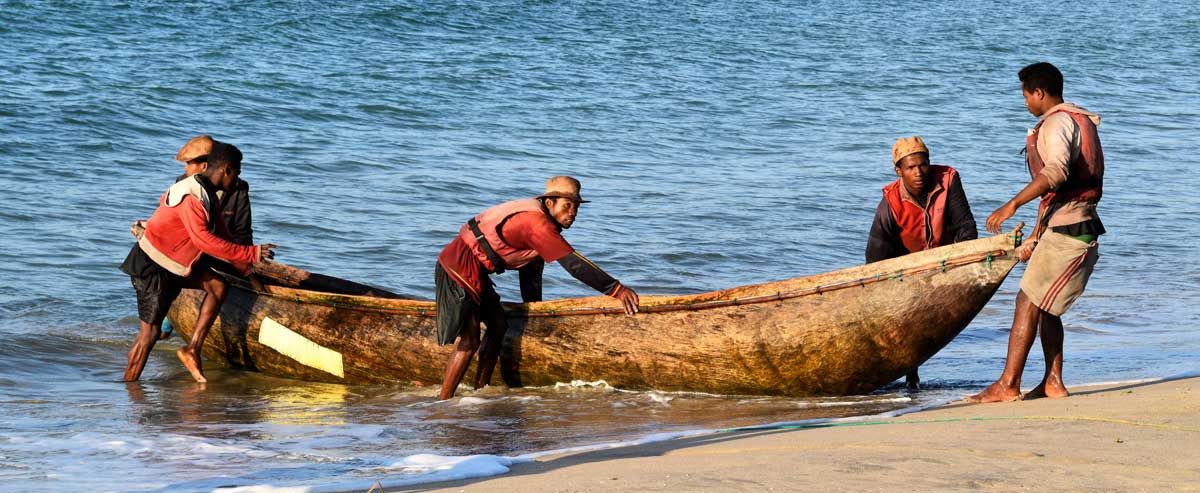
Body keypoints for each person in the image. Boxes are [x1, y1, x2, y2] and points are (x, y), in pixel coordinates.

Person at [434, 176, 640, 399]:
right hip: (456, 266)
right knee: (471, 339)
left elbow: (531, 272)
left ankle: (479, 392)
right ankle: (444, 402)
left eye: (576, 207)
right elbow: (574, 264)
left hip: (478, 272)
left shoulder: (544, 225)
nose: (573, 212)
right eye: (567, 205)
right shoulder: (537, 224)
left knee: (499, 325)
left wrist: (534, 310)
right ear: (549, 203)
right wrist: (616, 289)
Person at [970, 62, 1104, 403]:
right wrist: (1036, 235)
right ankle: (1052, 382)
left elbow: (1057, 172)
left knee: (1027, 300)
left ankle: (1008, 384)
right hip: (1073, 225)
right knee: (1046, 306)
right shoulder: (1080, 120)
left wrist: (1012, 204)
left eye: (1026, 95)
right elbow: (1059, 197)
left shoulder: (1057, 123)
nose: (1026, 102)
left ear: (1039, 93)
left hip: (1071, 230)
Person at [120, 143, 276, 383]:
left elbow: (224, 236)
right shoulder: (191, 195)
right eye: (237, 172)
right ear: (226, 170)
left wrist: (248, 268)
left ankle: (192, 349)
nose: (238, 179)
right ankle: (130, 386)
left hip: (176, 263)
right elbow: (204, 240)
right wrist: (252, 252)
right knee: (149, 335)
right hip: (153, 265)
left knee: (218, 287)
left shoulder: (208, 194)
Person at [866, 135, 978, 390]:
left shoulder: (948, 180)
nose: (918, 172)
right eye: (910, 168)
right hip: (907, 268)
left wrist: (957, 267)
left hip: (946, 262)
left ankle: (911, 374)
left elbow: (966, 226)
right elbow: (876, 255)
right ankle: (909, 373)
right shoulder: (890, 203)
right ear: (899, 171)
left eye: (923, 165)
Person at [132, 135, 253, 245]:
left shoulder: (237, 188)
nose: (185, 167)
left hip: (223, 249)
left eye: (189, 163)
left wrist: (246, 257)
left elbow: (243, 231)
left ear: (205, 166)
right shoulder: (182, 184)